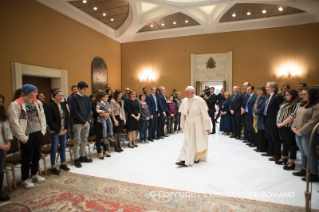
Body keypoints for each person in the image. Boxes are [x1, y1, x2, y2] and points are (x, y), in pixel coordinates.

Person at [9, 84, 46, 188]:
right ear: (28, 92)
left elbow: (42, 117)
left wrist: (42, 131)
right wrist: (23, 137)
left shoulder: (37, 103)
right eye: (35, 92)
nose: (37, 94)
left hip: (37, 132)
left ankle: (34, 174)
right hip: (27, 134)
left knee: (36, 155)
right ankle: (25, 178)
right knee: (26, 157)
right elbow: (14, 122)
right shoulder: (16, 104)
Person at [175, 86, 211, 167]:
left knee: (196, 141)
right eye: (185, 92)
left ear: (192, 92)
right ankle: (184, 158)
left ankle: (195, 157)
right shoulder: (184, 100)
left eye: (187, 92)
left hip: (198, 123)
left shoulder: (200, 101)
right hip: (188, 123)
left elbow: (205, 115)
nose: (186, 94)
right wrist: (182, 125)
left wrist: (207, 127)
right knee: (187, 141)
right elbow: (183, 114)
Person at [292, 87, 319, 182]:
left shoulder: (316, 106)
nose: (302, 96)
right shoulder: (303, 104)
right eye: (301, 94)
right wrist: (293, 127)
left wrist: (301, 130)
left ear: (311, 95)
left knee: (310, 154)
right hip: (298, 131)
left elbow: (313, 121)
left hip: (308, 133)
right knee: (303, 153)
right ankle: (304, 169)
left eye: (304, 94)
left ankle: (314, 174)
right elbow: (296, 117)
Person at [45, 89, 70, 175]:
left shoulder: (63, 105)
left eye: (62, 95)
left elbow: (67, 116)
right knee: (54, 148)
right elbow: (49, 120)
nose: (61, 97)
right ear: (54, 96)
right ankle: (53, 166)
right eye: (59, 95)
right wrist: (58, 130)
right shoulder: (50, 106)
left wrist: (66, 127)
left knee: (63, 146)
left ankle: (63, 163)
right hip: (55, 131)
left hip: (63, 130)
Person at [276, 89, 299, 170]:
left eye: (288, 95)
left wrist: (282, 123)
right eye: (285, 95)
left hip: (288, 126)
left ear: (293, 95)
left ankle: (291, 161)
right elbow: (279, 113)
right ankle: (284, 157)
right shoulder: (285, 103)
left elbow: (292, 116)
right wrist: (278, 122)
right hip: (280, 125)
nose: (286, 96)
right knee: (284, 142)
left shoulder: (296, 104)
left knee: (291, 144)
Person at [71, 81, 92, 168]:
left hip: (86, 122)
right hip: (77, 122)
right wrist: (83, 121)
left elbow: (89, 110)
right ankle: (76, 158)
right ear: (78, 89)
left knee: (84, 139)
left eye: (86, 89)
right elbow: (75, 112)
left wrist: (86, 121)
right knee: (77, 141)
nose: (85, 91)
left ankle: (82, 156)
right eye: (84, 89)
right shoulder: (74, 98)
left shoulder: (87, 98)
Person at [262, 82, 285, 161]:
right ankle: (270, 151)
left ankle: (277, 154)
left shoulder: (277, 96)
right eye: (266, 87)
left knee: (275, 137)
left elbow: (281, 109)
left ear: (274, 88)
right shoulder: (268, 96)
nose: (266, 88)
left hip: (273, 119)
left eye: (268, 87)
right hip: (267, 118)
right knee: (269, 136)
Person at [92, 90, 112, 159]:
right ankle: (99, 151)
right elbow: (94, 113)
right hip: (98, 122)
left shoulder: (106, 102)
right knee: (99, 137)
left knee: (105, 136)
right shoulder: (94, 102)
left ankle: (105, 150)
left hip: (105, 121)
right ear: (100, 96)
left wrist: (108, 114)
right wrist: (102, 114)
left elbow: (108, 110)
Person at [0, 94, 12, 201]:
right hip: (1, 145)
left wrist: (8, 143)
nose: (0, 104)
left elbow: (7, 129)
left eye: (1, 102)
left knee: (0, 169)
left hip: (3, 147)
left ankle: (0, 192)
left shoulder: (2, 115)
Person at [252, 86, 267, 152]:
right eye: (258, 90)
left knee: (262, 133)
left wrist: (256, 113)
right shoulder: (258, 98)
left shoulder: (264, 98)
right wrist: (254, 113)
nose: (259, 92)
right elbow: (253, 106)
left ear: (264, 91)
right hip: (256, 117)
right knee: (258, 133)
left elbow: (263, 107)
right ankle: (259, 146)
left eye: (260, 90)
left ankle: (262, 148)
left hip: (261, 117)